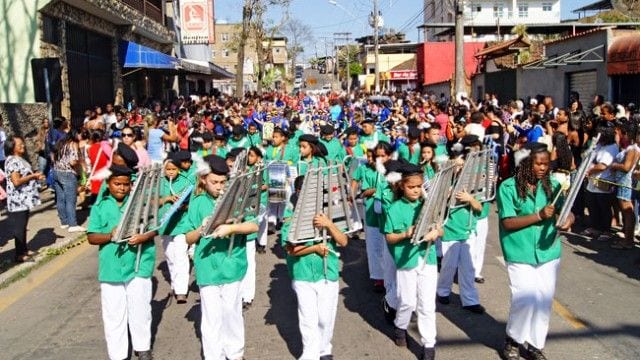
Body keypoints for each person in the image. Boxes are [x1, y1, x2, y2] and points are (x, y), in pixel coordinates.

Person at [497, 142, 574, 360]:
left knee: (543, 299)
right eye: (537, 164)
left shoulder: (553, 185)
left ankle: (535, 344)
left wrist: (568, 220)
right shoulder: (508, 187)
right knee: (524, 297)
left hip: (548, 251)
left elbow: (566, 212)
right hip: (519, 252)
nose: (542, 168)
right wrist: (539, 216)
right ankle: (513, 339)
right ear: (526, 163)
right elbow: (508, 223)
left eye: (546, 164)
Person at [183, 155, 259, 360]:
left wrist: (231, 228)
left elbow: (253, 225)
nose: (219, 186)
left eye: (222, 182)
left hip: (232, 262)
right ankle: (213, 356)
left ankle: (235, 353)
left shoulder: (237, 198)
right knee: (211, 317)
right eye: (214, 182)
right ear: (203, 180)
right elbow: (188, 237)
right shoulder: (197, 202)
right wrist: (202, 229)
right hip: (208, 265)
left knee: (232, 313)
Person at [87, 164, 156, 360]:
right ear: (108, 184)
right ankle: (117, 355)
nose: (122, 188)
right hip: (111, 268)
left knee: (141, 308)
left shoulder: (140, 203)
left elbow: (155, 227)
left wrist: (144, 237)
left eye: (126, 184)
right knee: (114, 314)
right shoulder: (100, 207)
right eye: (117, 184)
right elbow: (92, 237)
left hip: (138, 263)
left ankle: (143, 348)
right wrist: (110, 235)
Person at [281, 175, 348, 360]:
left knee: (326, 318)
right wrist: (315, 248)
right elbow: (291, 249)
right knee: (308, 318)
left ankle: (324, 349)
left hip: (328, 273)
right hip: (302, 274)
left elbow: (343, 241)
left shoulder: (331, 214)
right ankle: (309, 354)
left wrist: (328, 224)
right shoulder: (291, 217)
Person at [382, 161, 442, 360]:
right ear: (402, 186)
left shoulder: (428, 204)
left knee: (426, 305)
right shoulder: (394, 208)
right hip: (406, 260)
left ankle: (429, 346)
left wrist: (436, 232)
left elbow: (441, 226)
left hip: (427, 257)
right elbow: (389, 237)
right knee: (407, 302)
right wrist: (406, 234)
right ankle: (400, 326)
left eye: (418, 186)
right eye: (411, 187)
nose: (416, 190)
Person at [4, 136, 45, 262]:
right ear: (12, 147)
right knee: (19, 228)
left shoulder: (19, 159)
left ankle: (24, 250)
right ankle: (19, 254)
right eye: (20, 144)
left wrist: (35, 176)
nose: (23, 146)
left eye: (22, 143)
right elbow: (16, 181)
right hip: (17, 201)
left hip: (23, 200)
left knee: (22, 226)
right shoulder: (12, 161)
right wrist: (33, 176)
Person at [158, 152, 193, 304]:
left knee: (181, 256)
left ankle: (181, 291)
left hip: (181, 224)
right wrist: (166, 199)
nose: (171, 172)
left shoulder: (186, 182)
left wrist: (182, 206)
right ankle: (175, 283)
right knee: (170, 256)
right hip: (165, 225)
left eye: (173, 169)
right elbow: (151, 201)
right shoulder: (158, 183)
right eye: (168, 169)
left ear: (179, 169)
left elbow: (192, 202)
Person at [351, 147, 385, 292]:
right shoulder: (363, 168)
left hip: (385, 209)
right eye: (368, 157)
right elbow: (354, 181)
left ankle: (388, 274)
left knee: (385, 243)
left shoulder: (386, 169)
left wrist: (375, 190)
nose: (370, 160)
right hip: (370, 208)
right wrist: (352, 195)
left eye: (373, 157)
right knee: (373, 244)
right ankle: (378, 277)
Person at [609, 122, 640, 249]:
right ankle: (627, 238)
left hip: (625, 182)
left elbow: (626, 167)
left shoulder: (633, 149)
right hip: (623, 181)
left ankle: (628, 241)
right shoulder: (632, 147)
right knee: (627, 211)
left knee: (627, 211)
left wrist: (613, 165)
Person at [53, 129, 85, 232]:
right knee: (71, 199)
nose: (82, 136)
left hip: (57, 171)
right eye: (81, 134)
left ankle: (64, 222)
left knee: (60, 198)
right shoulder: (73, 144)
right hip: (68, 173)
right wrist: (79, 163)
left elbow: (54, 157)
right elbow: (72, 161)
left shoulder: (61, 143)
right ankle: (73, 224)